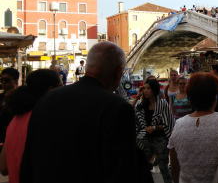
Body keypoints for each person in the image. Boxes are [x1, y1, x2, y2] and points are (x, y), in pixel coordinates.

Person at [20, 41, 153, 183]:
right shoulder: (117, 107)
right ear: (118, 72)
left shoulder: (47, 100)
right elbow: (122, 170)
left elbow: (28, 162)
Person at [0, 70, 61, 183]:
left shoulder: (16, 120)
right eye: (61, 87)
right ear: (51, 89)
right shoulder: (47, 120)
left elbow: (3, 167)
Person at [135, 79, 175, 183]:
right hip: (145, 139)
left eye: (148, 88)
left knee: (163, 167)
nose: (145, 91)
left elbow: (168, 123)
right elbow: (131, 113)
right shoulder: (141, 104)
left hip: (160, 139)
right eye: (144, 88)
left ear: (154, 90)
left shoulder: (162, 104)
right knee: (143, 167)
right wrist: (138, 96)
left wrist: (154, 127)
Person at [0, 68, 19, 144]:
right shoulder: (1, 97)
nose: (3, 83)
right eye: (1, 80)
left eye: (7, 80)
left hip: (13, 138)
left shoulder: (21, 98)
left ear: (16, 81)